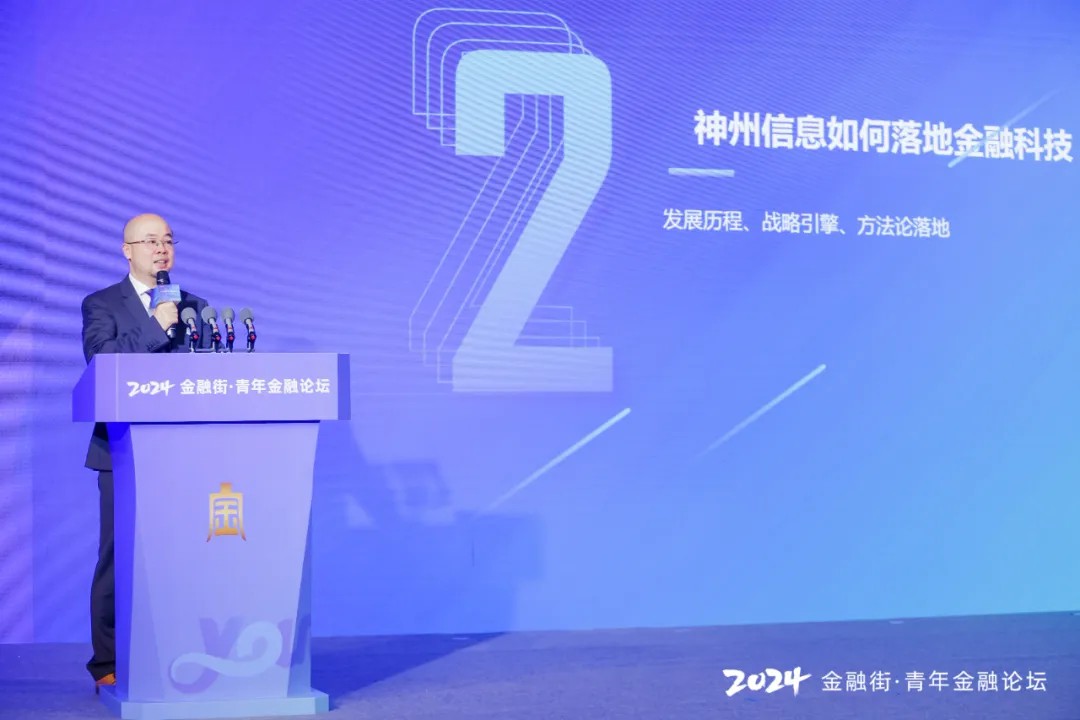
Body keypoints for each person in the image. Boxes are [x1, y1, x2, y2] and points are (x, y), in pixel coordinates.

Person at [80, 213, 208, 691]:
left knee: (184, 553)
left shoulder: (194, 305)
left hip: (183, 451)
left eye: (168, 240)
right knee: (119, 555)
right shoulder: (101, 303)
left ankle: (182, 648)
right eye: (150, 241)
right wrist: (156, 326)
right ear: (127, 250)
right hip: (123, 449)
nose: (161, 249)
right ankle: (107, 661)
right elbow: (101, 360)